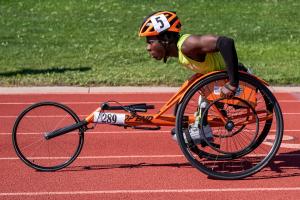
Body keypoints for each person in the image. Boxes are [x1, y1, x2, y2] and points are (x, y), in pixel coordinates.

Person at [138, 11, 246, 144]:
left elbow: (226, 42)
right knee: (182, 102)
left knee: (199, 92)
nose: (148, 48)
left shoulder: (187, 45)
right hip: (215, 84)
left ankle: (202, 129)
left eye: (150, 42)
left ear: (165, 39)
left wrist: (233, 83)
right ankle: (202, 128)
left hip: (239, 81)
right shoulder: (181, 51)